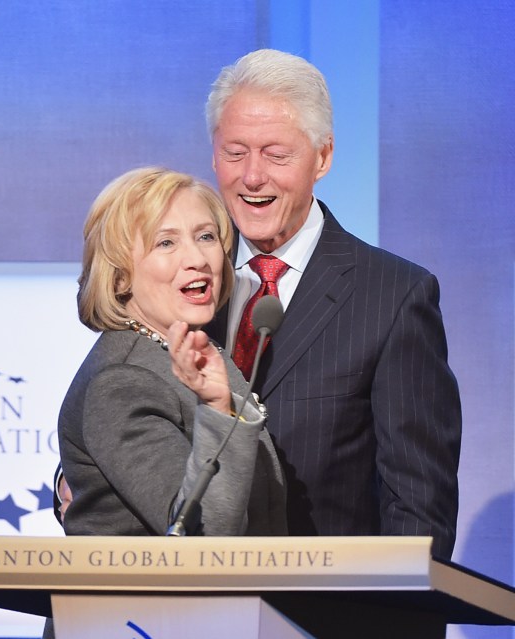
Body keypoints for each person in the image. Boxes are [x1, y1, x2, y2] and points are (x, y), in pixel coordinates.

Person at [204, 49, 461, 559]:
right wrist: (74, 488)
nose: (252, 178)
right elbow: (127, 413)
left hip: (321, 615)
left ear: (322, 157)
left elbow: (416, 509)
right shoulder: (183, 277)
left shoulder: (393, 297)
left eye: (276, 155)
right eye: (235, 153)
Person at [56, 166, 287, 539]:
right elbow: (202, 537)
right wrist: (216, 408)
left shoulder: (186, 349)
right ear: (120, 276)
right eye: (166, 243)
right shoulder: (122, 382)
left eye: (206, 236)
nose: (198, 258)